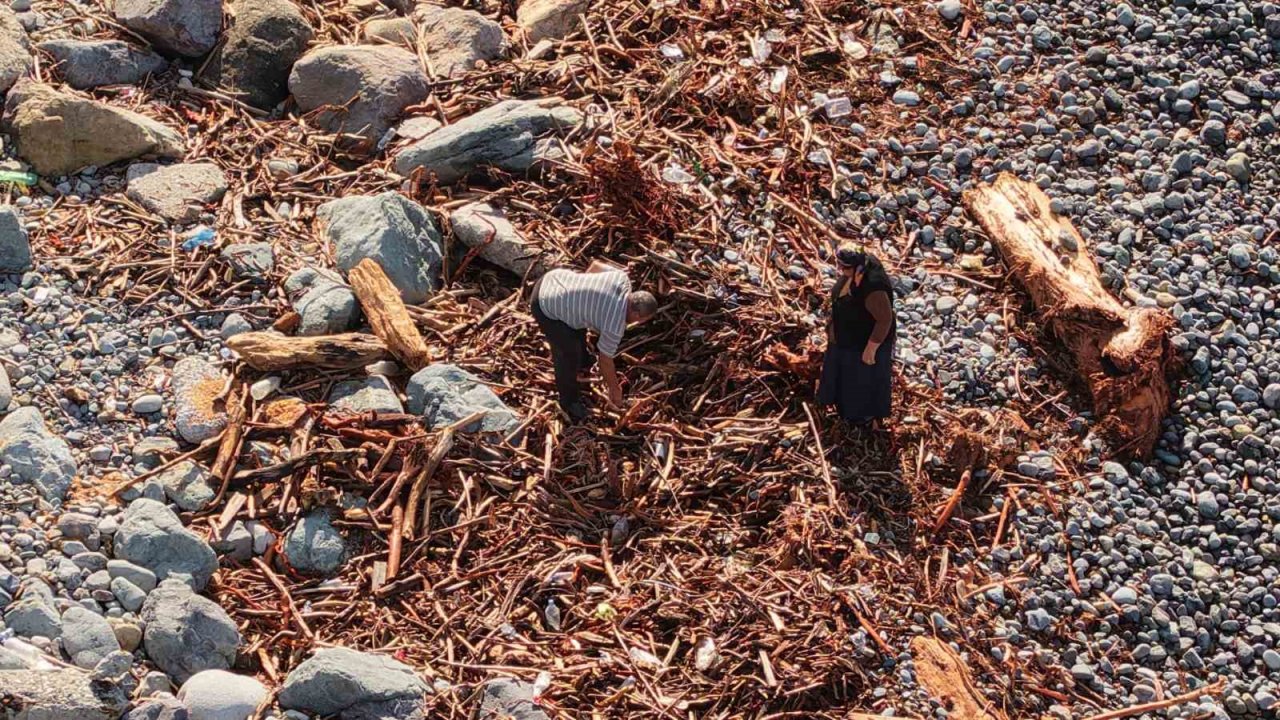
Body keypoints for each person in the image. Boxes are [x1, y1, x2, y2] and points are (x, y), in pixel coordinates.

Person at [529, 261, 658, 420]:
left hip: (553, 278)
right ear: (637, 315)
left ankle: (583, 361)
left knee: (579, 322)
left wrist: (584, 300)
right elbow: (605, 361)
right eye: (642, 320)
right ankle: (569, 402)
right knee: (567, 354)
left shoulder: (622, 279)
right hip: (544, 304)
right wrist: (614, 389)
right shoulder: (614, 324)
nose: (639, 323)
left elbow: (595, 266)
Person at [817, 244, 896, 425]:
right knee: (840, 372)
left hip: (863, 341)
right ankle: (836, 402)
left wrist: (871, 348)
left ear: (857, 266)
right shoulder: (856, 271)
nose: (840, 269)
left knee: (859, 381)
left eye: (844, 267)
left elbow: (885, 320)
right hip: (845, 335)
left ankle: (860, 417)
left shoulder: (874, 289)